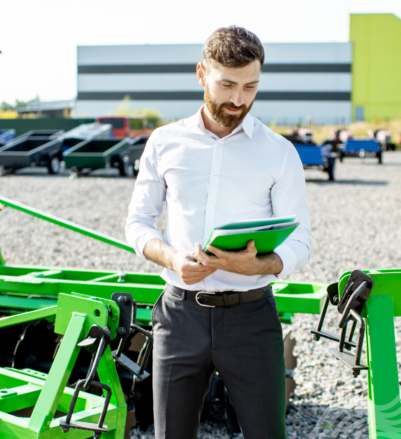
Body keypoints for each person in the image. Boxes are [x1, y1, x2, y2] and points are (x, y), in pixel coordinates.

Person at [125, 25, 312, 439]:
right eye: (227, 84)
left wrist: (261, 264)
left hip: (251, 318)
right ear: (201, 74)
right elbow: (136, 224)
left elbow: (301, 241)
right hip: (179, 316)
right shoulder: (163, 143)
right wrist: (173, 258)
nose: (238, 99)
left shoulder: (279, 153)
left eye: (251, 86)